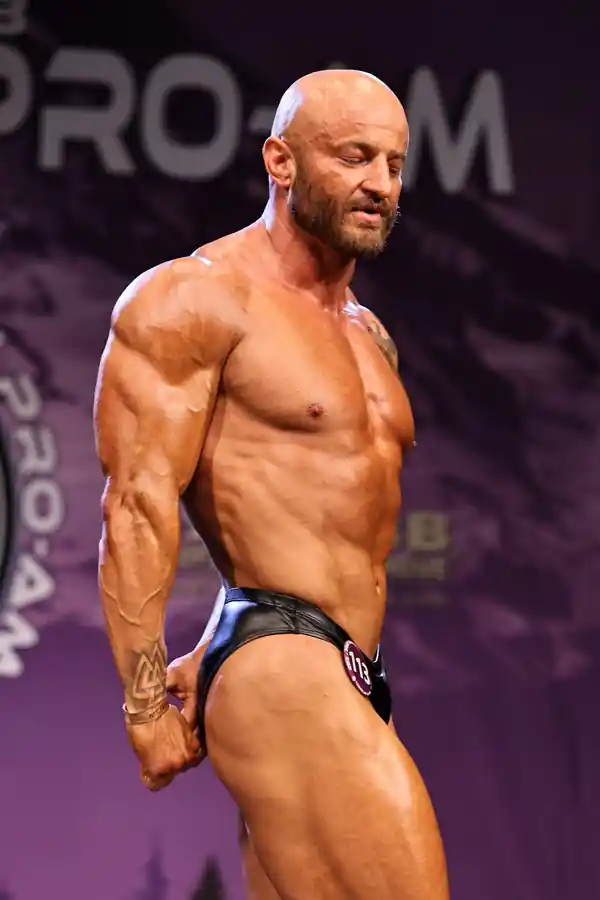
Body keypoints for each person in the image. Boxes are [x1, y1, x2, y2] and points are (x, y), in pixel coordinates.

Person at [94, 68, 449, 900]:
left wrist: (215, 645)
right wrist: (143, 707)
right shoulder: (195, 298)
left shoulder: (368, 336)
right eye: (354, 157)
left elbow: (301, 513)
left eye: (395, 164)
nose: (381, 184)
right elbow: (138, 505)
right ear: (280, 161)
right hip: (286, 670)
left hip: (348, 669)